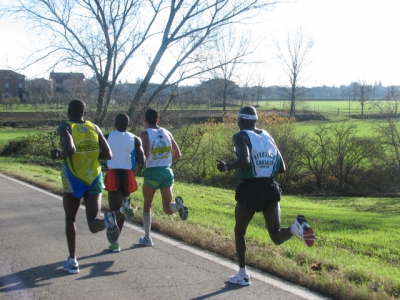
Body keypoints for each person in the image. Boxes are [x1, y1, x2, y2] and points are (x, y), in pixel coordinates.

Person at [216, 106, 315, 286]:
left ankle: (243, 274)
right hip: (271, 186)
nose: (237, 123)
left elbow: (244, 160)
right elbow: (283, 168)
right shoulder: (267, 136)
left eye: (238, 120)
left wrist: (227, 167)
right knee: (276, 237)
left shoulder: (240, 136)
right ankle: (295, 228)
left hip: (251, 188)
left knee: (239, 231)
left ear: (241, 120)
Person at [50, 99, 119, 274]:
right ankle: (109, 220)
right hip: (94, 178)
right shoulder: (95, 127)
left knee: (70, 219)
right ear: (85, 114)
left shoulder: (65, 127)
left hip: (74, 179)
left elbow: (70, 149)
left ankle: (73, 261)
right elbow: (109, 154)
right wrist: (92, 156)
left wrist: (59, 154)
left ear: (68, 112)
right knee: (94, 223)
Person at [138, 108, 188, 246]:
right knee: (167, 208)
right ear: (158, 120)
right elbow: (178, 154)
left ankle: (147, 238)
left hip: (152, 172)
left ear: (145, 121)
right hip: (167, 171)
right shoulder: (167, 132)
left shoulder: (144, 133)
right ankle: (178, 207)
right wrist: (165, 161)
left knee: (147, 205)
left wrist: (138, 163)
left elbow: (146, 153)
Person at [103, 113, 145, 252]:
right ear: (129, 124)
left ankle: (115, 243)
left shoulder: (107, 136)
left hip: (113, 173)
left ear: (115, 124)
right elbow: (142, 160)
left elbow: (99, 153)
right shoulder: (135, 139)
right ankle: (116, 241)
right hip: (127, 174)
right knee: (122, 207)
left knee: (115, 209)